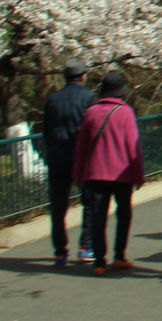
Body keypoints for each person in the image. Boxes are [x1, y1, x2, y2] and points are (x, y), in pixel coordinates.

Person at [72, 72, 144, 275]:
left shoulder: (91, 113)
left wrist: (78, 174)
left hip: (95, 174)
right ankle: (119, 256)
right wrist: (139, 175)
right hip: (122, 175)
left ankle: (99, 262)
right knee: (124, 214)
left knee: (98, 217)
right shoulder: (126, 112)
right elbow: (133, 148)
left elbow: (81, 148)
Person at [42, 58, 96, 266]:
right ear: (83, 76)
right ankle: (86, 247)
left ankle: (60, 252)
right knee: (89, 203)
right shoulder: (89, 98)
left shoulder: (52, 99)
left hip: (57, 158)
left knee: (58, 207)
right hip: (82, 158)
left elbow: (46, 130)